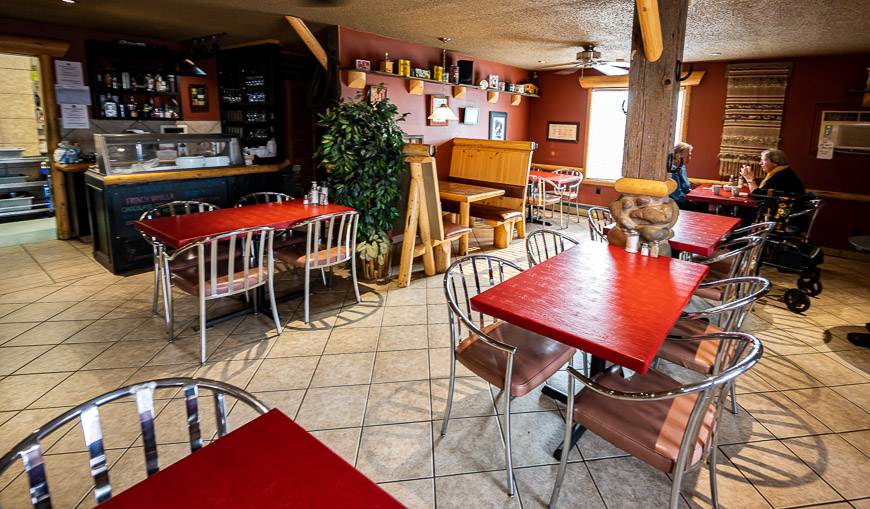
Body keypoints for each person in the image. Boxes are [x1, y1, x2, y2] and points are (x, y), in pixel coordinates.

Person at [740, 148, 805, 196]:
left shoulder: (782, 176)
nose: (760, 163)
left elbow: (758, 195)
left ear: (775, 162)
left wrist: (749, 178)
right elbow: (765, 188)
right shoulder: (782, 171)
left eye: (764, 160)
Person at [667, 142, 698, 210]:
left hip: (684, 198)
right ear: (678, 156)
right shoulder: (673, 169)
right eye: (687, 156)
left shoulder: (682, 167)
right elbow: (676, 195)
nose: (689, 158)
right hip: (677, 203)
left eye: (690, 156)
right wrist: (689, 199)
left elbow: (686, 186)